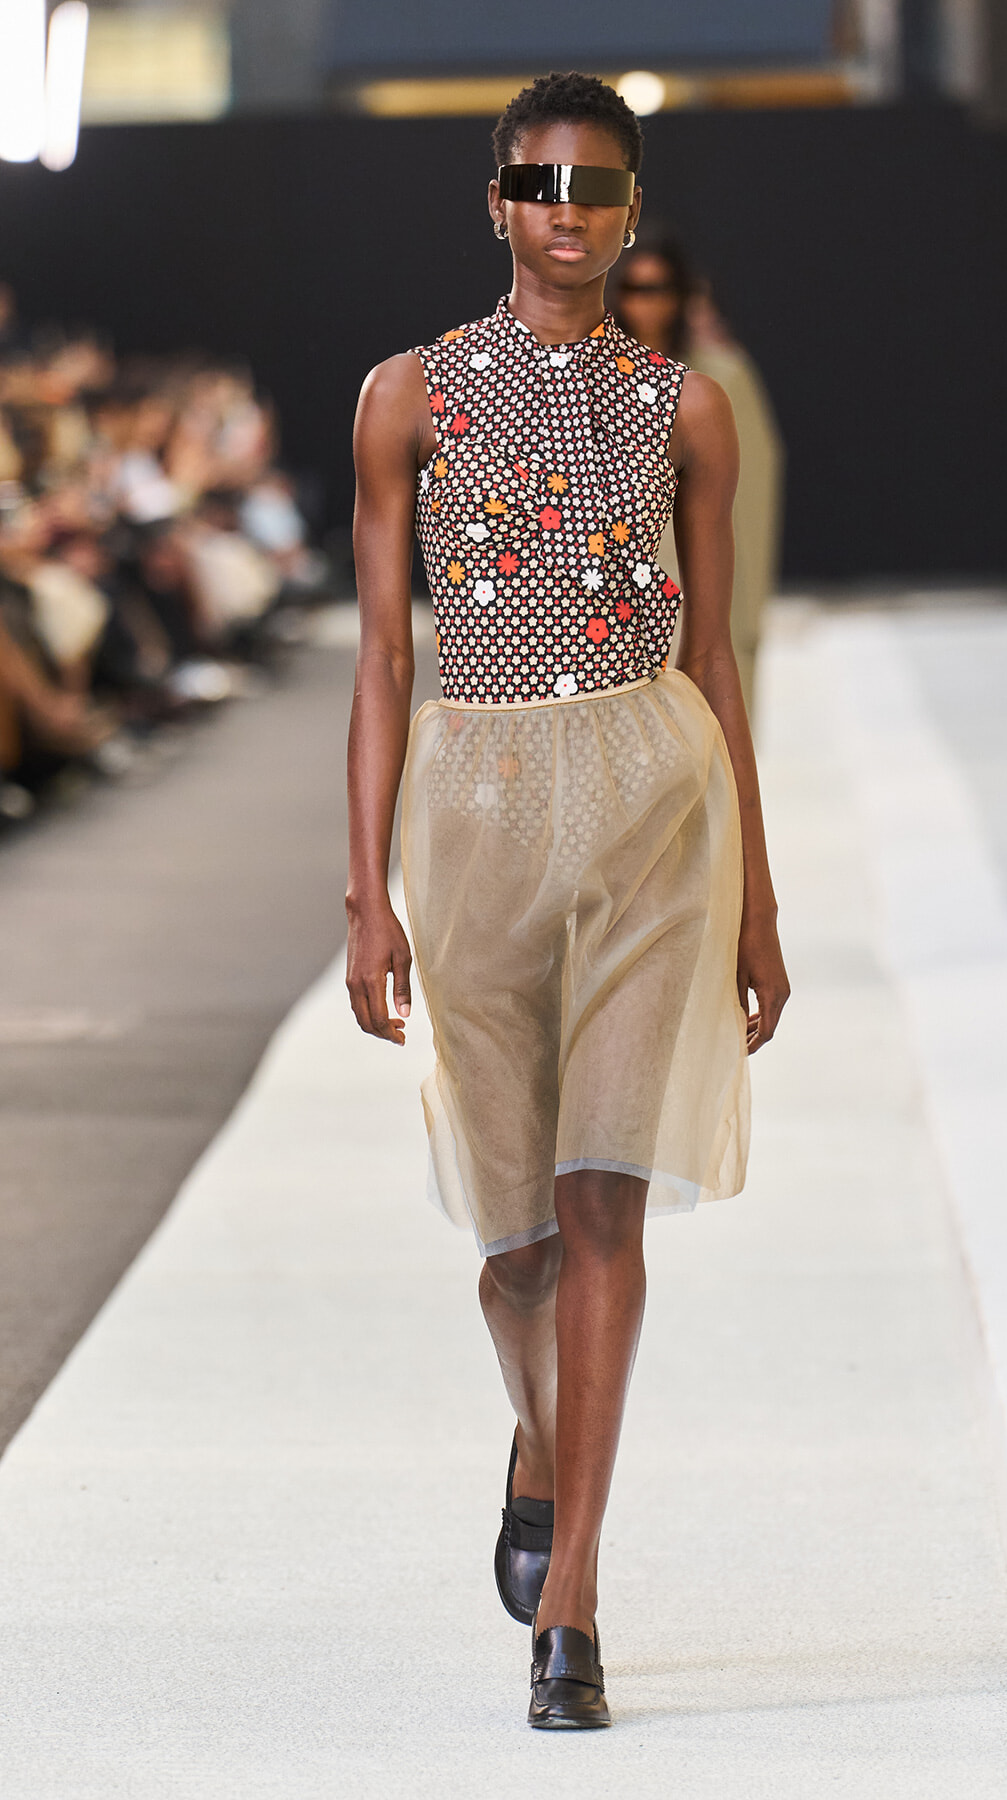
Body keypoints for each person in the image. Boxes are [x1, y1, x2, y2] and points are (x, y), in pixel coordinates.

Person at [345, 71, 789, 1730]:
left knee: (604, 1205)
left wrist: (759, 898)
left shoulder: (690, 410)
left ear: (627, 205)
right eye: (543, 182)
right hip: (473, 819)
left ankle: (576, 1606)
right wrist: (363, 890)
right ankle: (539, 1440)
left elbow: (717, 654)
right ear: (497, 201)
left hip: (656, 811)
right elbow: (384, 655)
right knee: (513, 1242)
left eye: (602, 187)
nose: (572, 211)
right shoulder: (405, 397)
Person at [611, 231, 784, 726]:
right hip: (617, 606)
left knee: (712, 765)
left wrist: (745, 617)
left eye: (659, 288)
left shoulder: (721, 380)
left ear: (682, 294)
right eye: (634, 289)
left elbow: (751, 502)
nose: (646, 304)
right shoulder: (589, 380)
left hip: (702, 590)